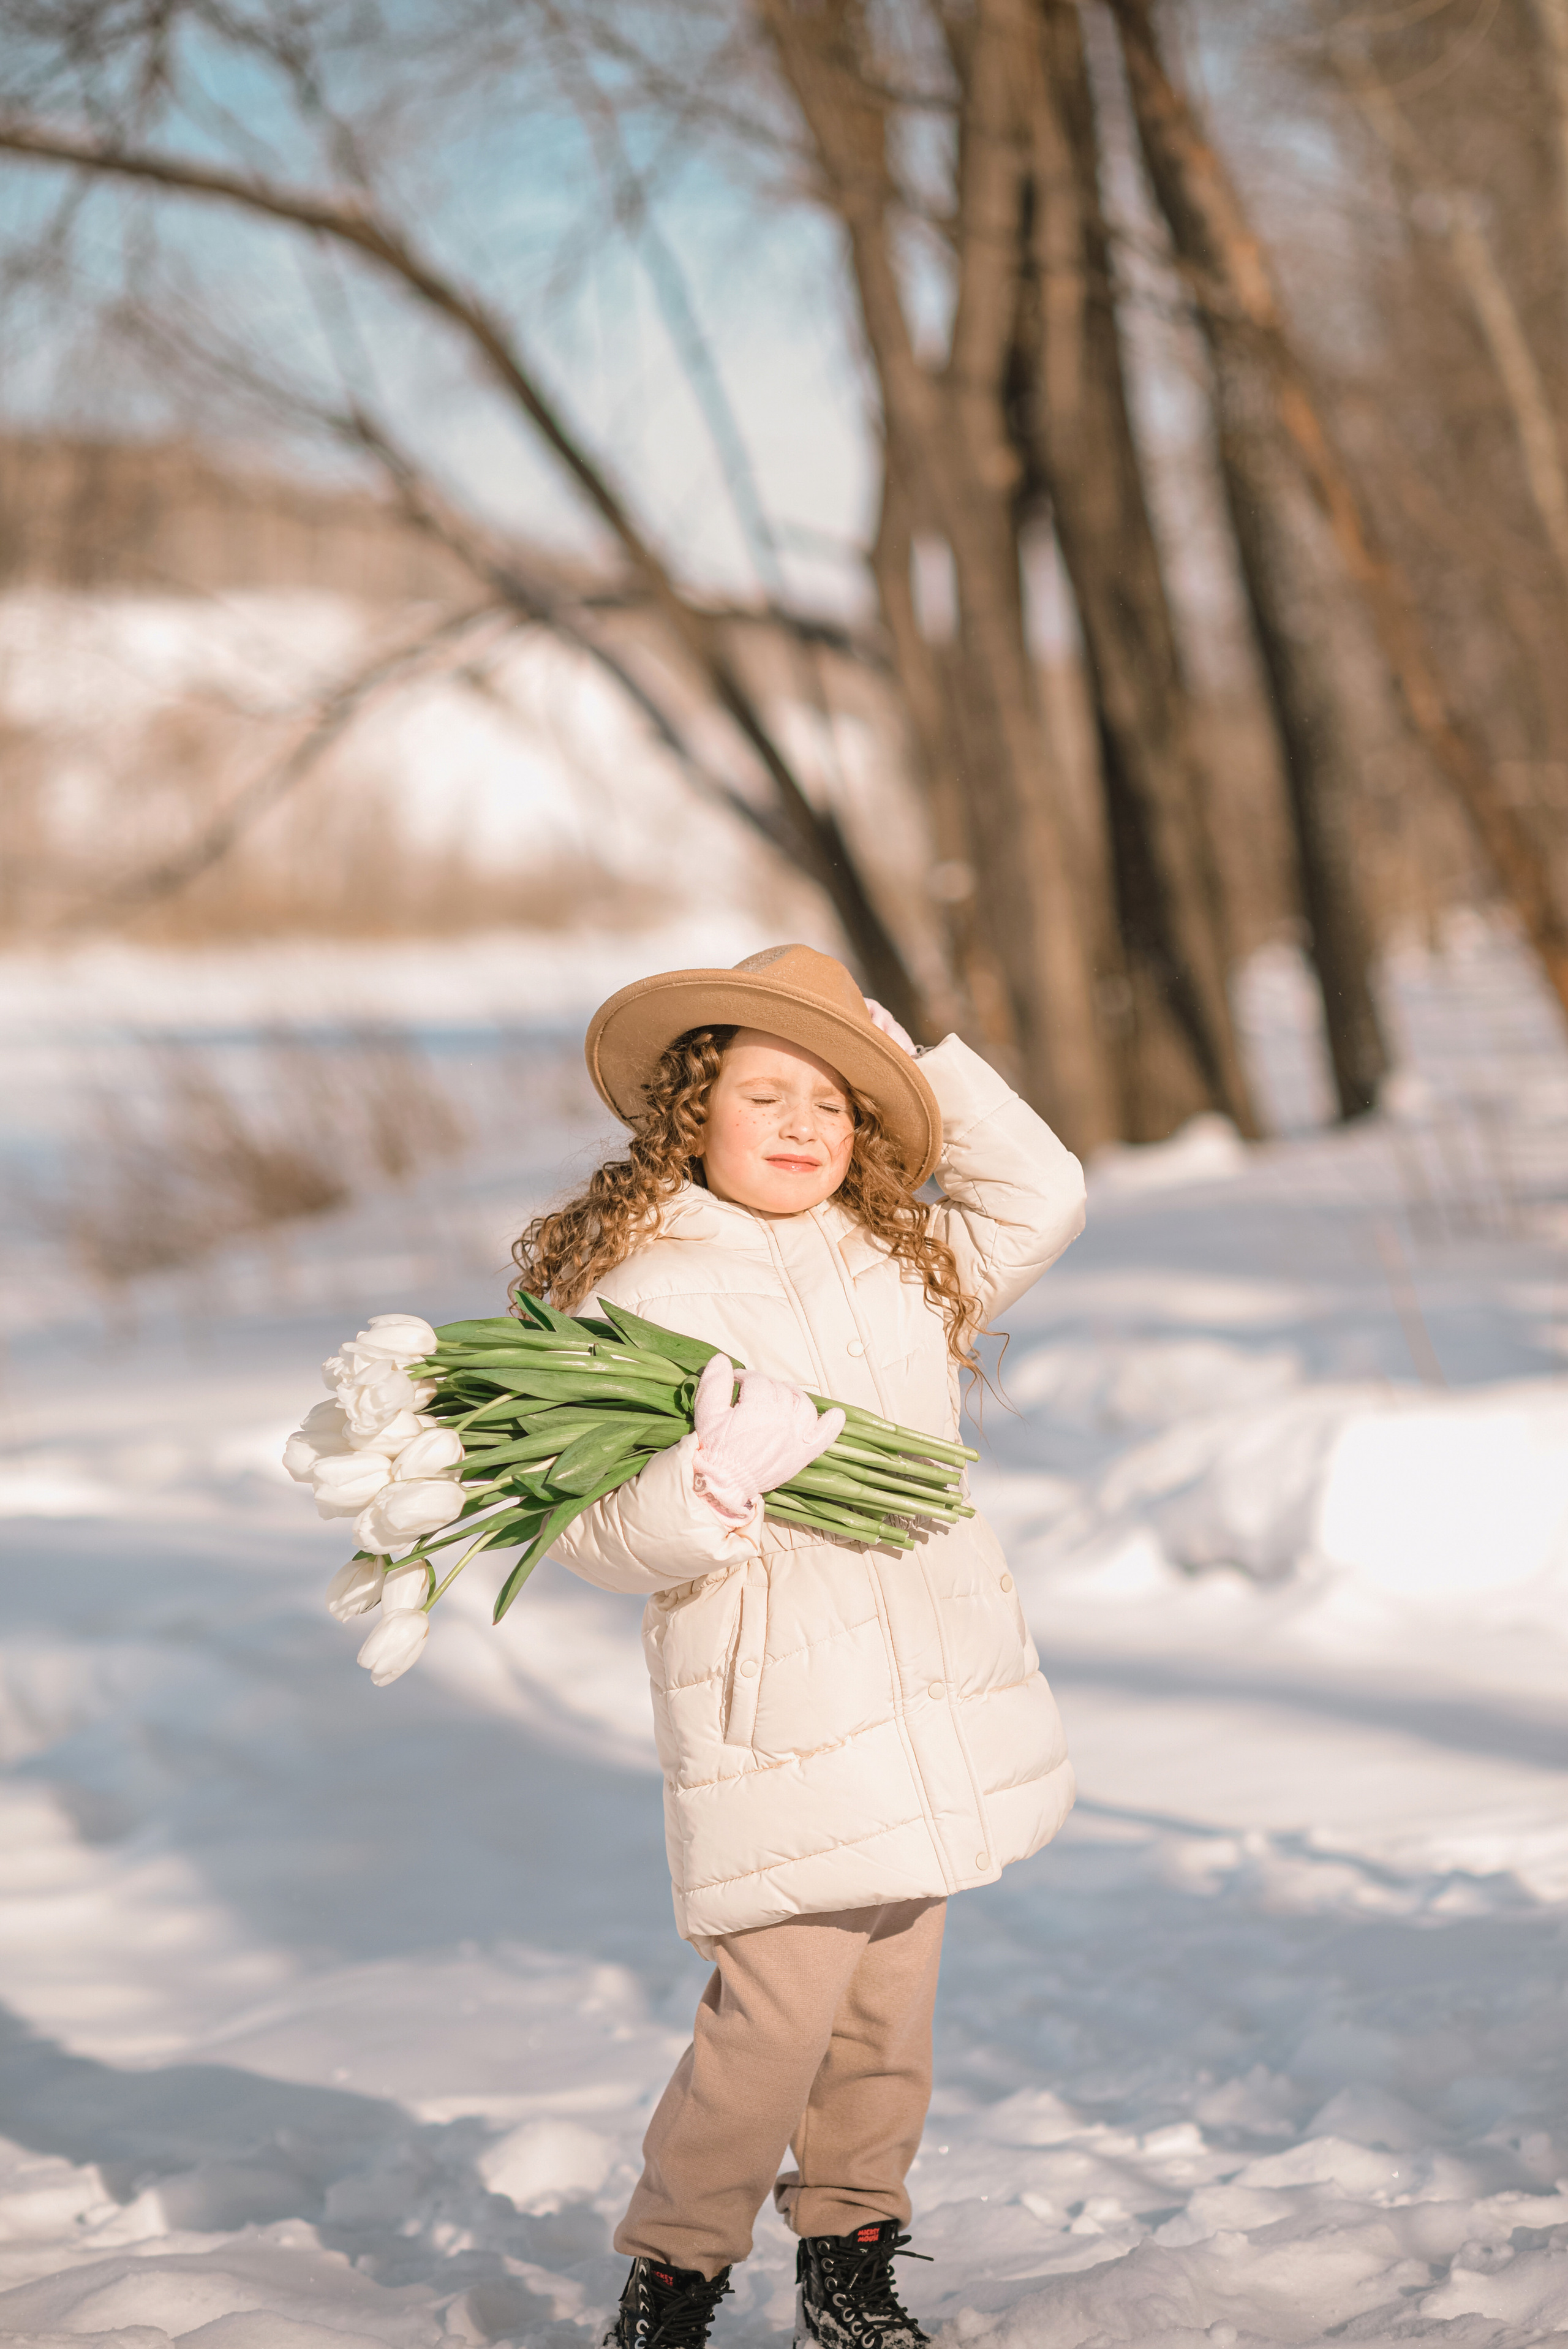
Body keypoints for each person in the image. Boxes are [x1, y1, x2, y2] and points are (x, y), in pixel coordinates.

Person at [513, 945, 1087, 2349]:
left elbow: (1047, 1193)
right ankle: (675, 2278)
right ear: (689, 1113)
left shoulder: (901, 1261)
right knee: (767, 2028)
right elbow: (581, 1529)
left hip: (925, 1699)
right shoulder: (638, 1291)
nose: (800, 1125)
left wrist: (917, 1059)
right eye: (766, 1092)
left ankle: (850, 2264)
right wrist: (694, 1495)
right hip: (776, 1707)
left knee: (888, 2019)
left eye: (835, 1104)